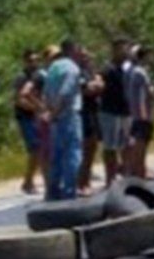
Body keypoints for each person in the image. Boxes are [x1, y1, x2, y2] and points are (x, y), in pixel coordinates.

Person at [39, 40, 85, 201]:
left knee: (56, 156)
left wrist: (48, 112)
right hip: (68, 116)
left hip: (55, 120)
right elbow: (65, 94)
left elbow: (45, 93)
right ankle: (69, 192)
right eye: (78, 49)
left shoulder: (53, 68)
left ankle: (53, 191)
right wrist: (55, 113)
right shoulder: (72, 68)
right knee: (73, 155)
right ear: (72, 49)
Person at [96, 37, 133, 187]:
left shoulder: (127, 68)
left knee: (127, 144)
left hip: (126, 111)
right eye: (123, 48)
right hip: (110, 112)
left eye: (127, 48)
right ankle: (109, 178)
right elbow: (99, 80)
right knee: (110, 147)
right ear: (115, 50)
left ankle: (126, 175)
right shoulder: (107, 68)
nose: (126, 51)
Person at [12, 47, 45, 195]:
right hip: (26, 117)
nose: (34, 63)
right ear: (25, 61)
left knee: (42, 149)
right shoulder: (21, 78)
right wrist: (36, 109)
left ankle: (35, 179)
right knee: (35, 148)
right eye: (31, 60)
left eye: (37, 60)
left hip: (38, 117)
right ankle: (28, 181)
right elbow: (19, 100)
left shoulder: (39, 76)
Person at [123, 43, 154, 181]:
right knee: (140, 144)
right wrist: (143, 115)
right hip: (142, 114)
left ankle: (137, 169)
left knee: (142, 143)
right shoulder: (139, 72)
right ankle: (136, 171)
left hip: (143, 113)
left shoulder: (138, 70)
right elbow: (141, 94)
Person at [76, 48, 105, 194]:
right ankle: (82, 184)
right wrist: (96, 85)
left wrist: (96, 82)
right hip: (84, 113)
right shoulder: (78, 72)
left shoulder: (90, 72)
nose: (87, 59)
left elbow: (100, 85)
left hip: (93, 111)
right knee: (86, 149)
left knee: (92, 148)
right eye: (84, 57)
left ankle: (85, 180)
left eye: (88, 57)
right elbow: (87, 90)